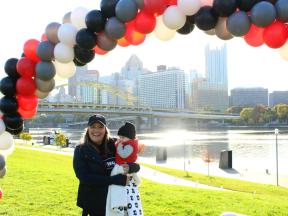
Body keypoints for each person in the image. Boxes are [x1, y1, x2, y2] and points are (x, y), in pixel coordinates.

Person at [73, 114, 140, 216]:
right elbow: (84, 177)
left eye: (100, 127)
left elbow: (131, 158)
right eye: (93, 127)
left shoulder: (115, 144)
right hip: (94, 203)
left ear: (105, 129)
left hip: (117, 199)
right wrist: (116, 179)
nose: (96, 130)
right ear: (88, 129)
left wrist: (133, 167)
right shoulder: (80, 150)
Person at [106, 122, 143, 216]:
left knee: (126, 188)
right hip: (123, 167)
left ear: (129, 137)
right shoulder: (127, 143)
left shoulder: (129, 145)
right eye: (120, 137)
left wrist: (118, 145)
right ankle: (119, 206)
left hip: (123, 167)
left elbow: (123, 154)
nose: (120, 139)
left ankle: (120, 207)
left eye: (123, 137)